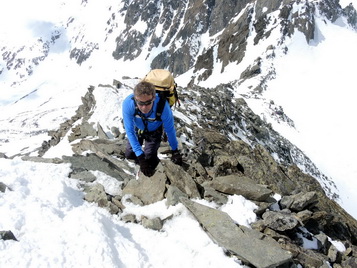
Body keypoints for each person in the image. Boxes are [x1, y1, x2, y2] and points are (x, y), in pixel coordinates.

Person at [122, 81, 182, 177]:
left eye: (148, 103)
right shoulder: (128, 103)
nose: (144, 107)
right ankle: (141, 164)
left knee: (150, 158)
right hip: (138, 130)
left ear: (154, 98)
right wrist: (141, 158)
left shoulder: (163, 106)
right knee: (130, 155)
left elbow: (170, 130)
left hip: (155, 131)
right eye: (140, 103)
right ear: (135, 98)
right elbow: (129, 131)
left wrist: (175, 150)